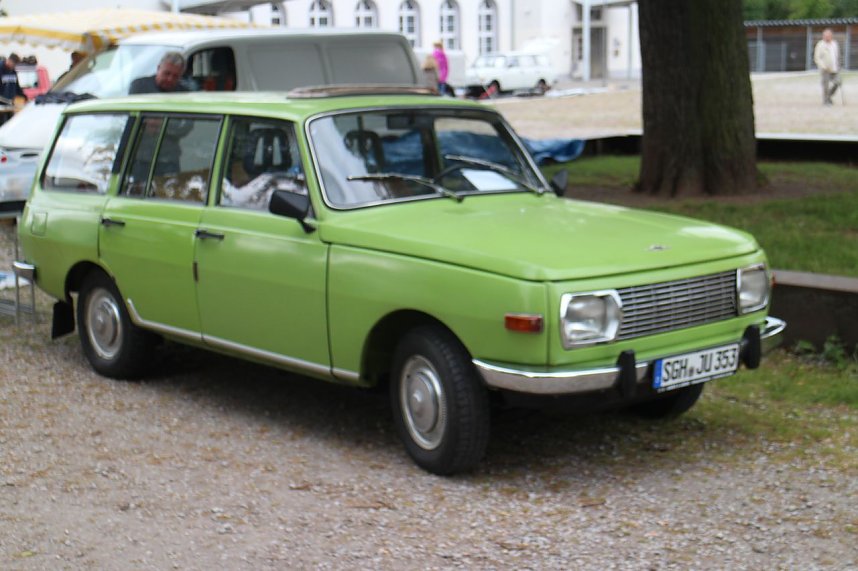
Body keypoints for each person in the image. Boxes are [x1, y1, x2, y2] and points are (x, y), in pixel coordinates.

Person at [813, 28, 841, 106]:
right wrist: (823, 66)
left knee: (837, 82)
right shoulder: (820, 45)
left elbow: (837, 56)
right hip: (825, 69)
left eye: (828, 35)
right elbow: (817, 58)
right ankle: (826, 101)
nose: (827, 37)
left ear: (831, 36)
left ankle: (828, 96)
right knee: (825, 85)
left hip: (834, 68)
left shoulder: (834, 44)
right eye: (825, 35)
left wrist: (838, 65)